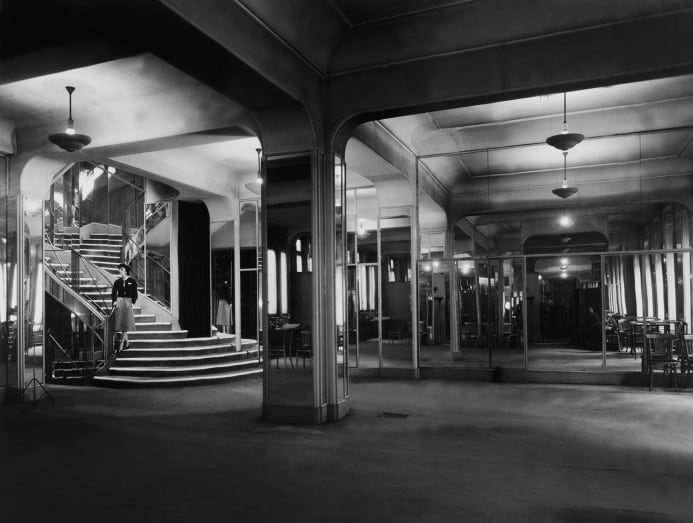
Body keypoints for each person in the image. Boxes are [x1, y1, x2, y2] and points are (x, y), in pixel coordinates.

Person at [111, 263, 138, 352]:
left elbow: (135, 294)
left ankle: (122, 344)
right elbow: (113, 293)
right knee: (120, 323)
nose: (120, 270)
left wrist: (132, 303)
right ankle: (126, 343)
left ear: (126, 270)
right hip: (119, 302)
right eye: (119, 269)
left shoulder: (132, 281)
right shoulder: (117, 281)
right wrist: (115, 301)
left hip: (128, 302)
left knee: (126, 323)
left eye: (121, 269)